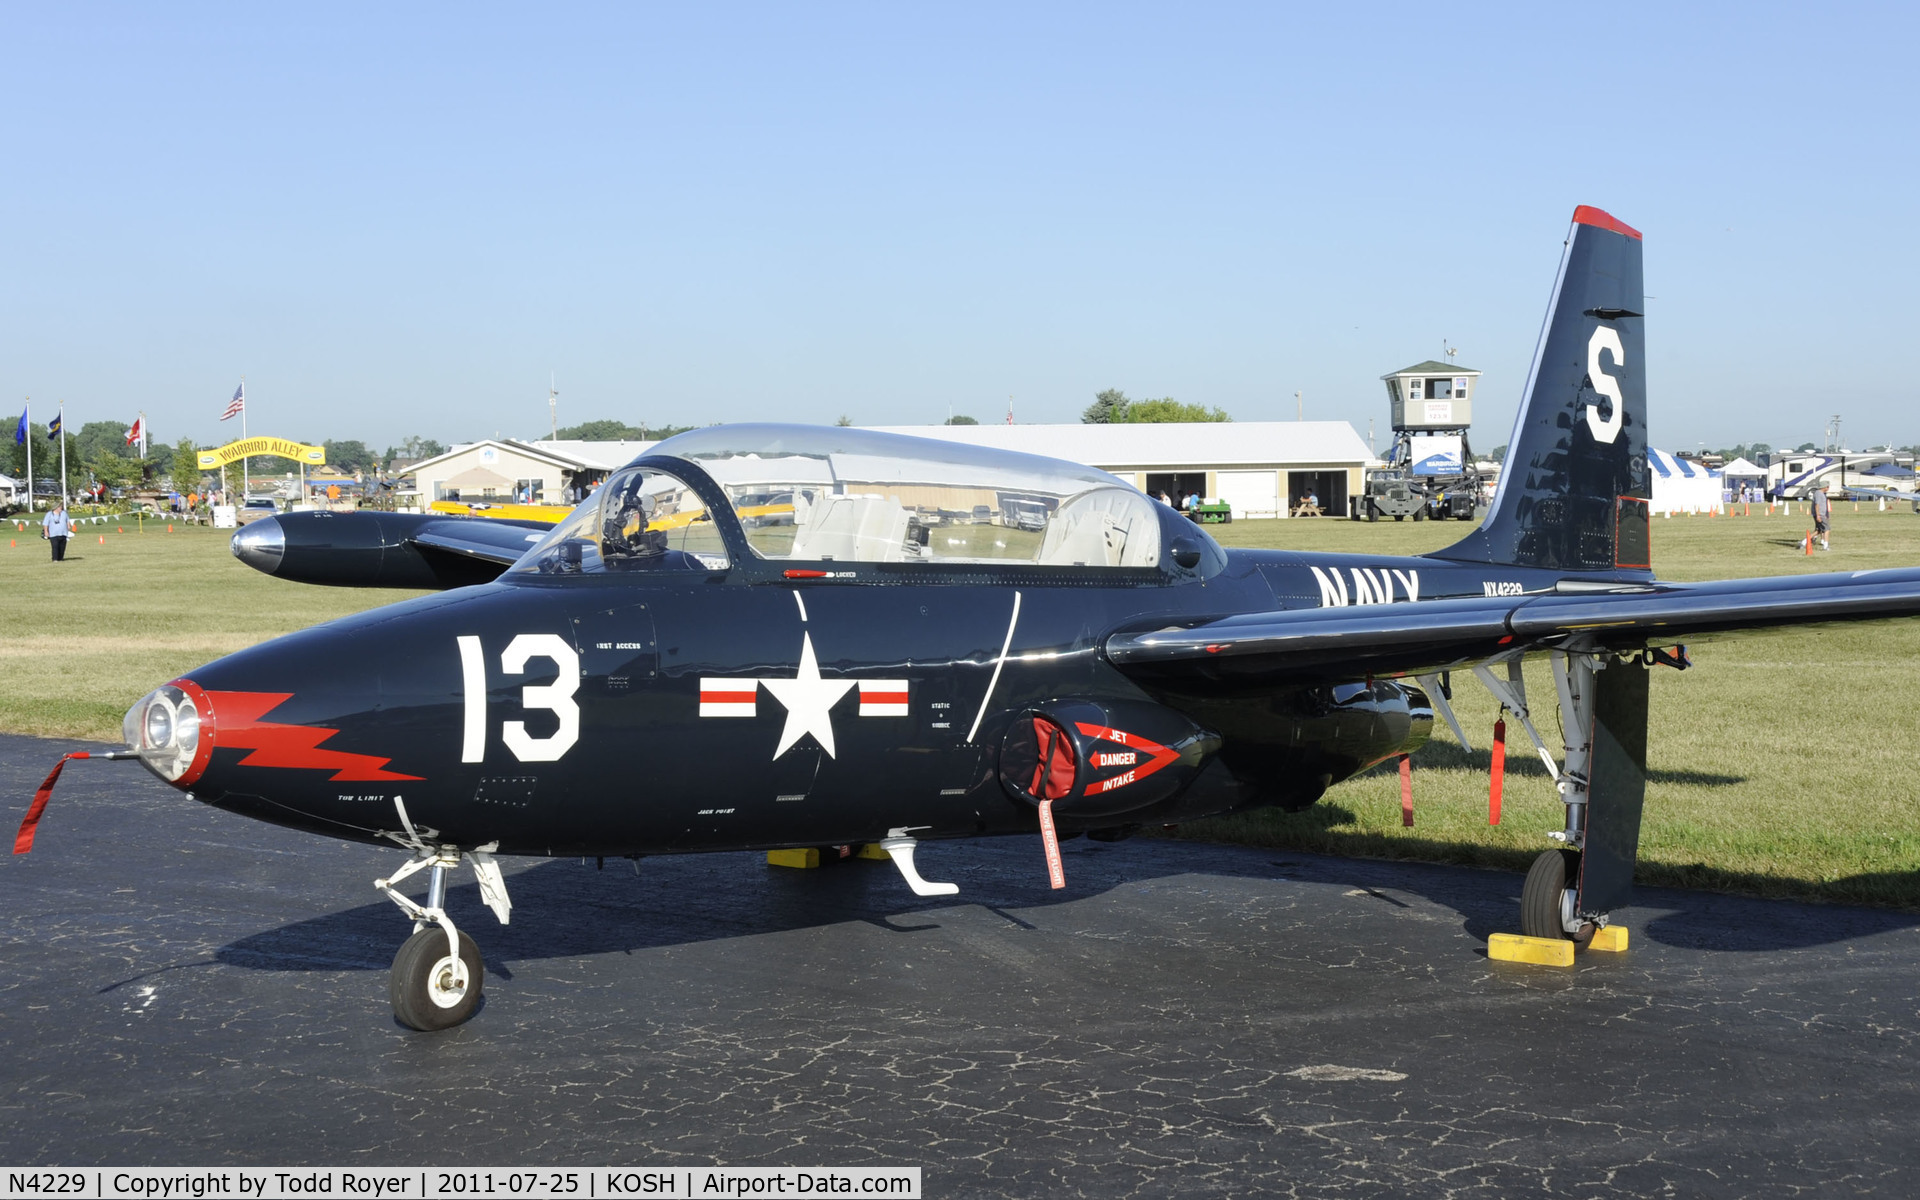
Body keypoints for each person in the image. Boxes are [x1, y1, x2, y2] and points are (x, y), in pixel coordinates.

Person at [1810, 482, 1832, 550]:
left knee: (1819, 530)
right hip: (1820, 514)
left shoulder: (1821, 493)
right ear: (1824, 487)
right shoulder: (1819, 493)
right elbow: (1817, 505)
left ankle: (1804, 542)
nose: (1828, 488)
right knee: (1827, 529)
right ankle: (1825, 546)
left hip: (1822, 514)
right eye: (1827, 487)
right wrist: (1818, 515)